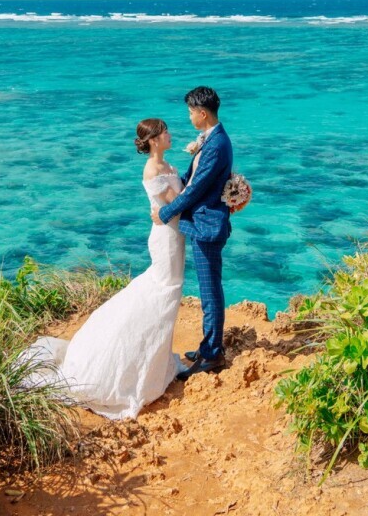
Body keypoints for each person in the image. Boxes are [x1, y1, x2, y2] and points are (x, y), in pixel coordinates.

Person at [15, 118, 186, 420]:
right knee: (164, 294)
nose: (171, 135)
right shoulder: (153, 169)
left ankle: (153, 362)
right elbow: (180, 202)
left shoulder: (168, 165)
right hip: (166, 239)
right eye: (166, 132)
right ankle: (134, 371)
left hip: (174, 236)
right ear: (155, 140)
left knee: (165, 296)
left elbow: (180, 196)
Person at [152, 86, 233, 379]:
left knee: (210, 293)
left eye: (190, 112)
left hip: (207, 227)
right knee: (208, 291)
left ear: (202, 113)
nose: (188, 117)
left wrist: (164, 212)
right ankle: (207, 347)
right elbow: (191, 178)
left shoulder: (217, 144)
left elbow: (197, 189)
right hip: (203, 223)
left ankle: (212, 355)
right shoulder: (210, 140)